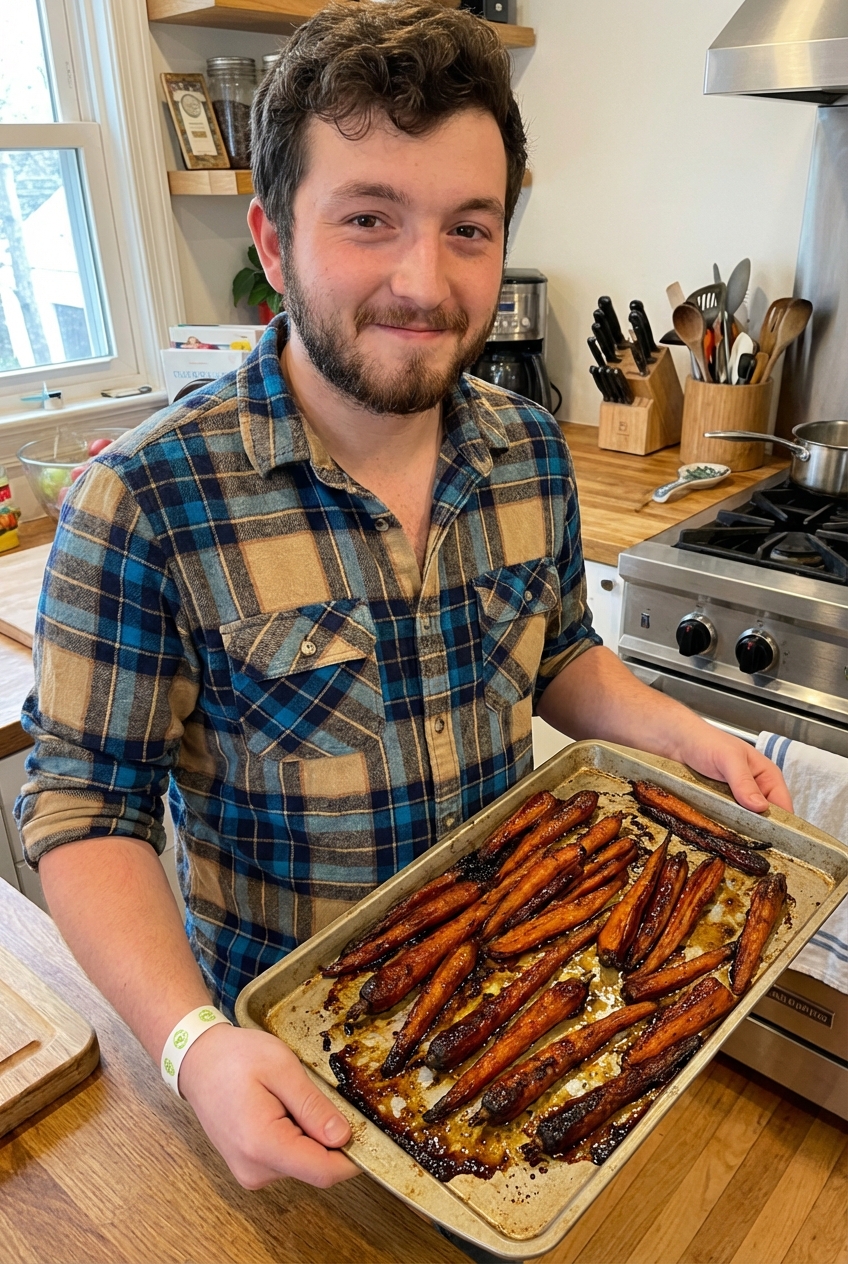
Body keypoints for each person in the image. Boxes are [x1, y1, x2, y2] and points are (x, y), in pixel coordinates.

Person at [16, 0, 790, 1209]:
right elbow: (80, 811)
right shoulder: (144, 503)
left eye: (467, 229)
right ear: (273, 243)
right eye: (368, 218)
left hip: (528, 1009)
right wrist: (191, 1046)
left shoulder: (529, 449)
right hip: (287, 1074)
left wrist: (685, 735)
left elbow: (562, 659)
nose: (423, 282)